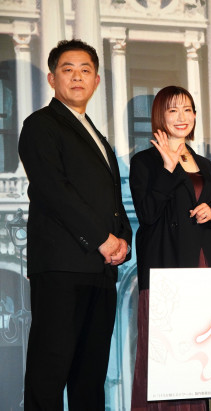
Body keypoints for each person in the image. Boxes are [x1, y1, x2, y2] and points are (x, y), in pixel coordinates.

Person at [18, 39, 132, 409]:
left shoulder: (94, 133)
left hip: (100, 269)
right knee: (49, 372)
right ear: (52, 78)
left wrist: (123, 239)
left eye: (85, 70)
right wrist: (102, 239)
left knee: (90, 376)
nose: (77, 77)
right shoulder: (41, 125)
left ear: (96, 81)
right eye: (68, 70)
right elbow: (55, 190)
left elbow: (111, 197)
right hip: (62, 267)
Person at [129, 86, 211, 410]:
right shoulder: (144, 162)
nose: (182, 117)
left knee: (210, 353)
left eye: (188, 109)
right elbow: (147, 214)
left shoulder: (204, 163)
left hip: (206, 265)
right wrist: (168, 167)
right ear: (160, 116)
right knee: (172, 357)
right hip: (168, 267)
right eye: (173, 110)